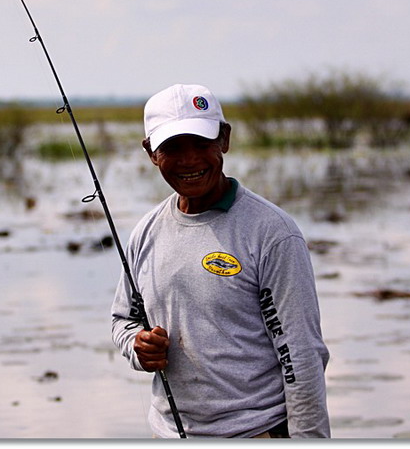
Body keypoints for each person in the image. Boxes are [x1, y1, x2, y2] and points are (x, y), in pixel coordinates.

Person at [111, 83, 330, 438]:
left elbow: (302, 358)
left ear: (224, 140)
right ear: (151, 152)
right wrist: (139, 345)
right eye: (172, 147)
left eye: (201, 143)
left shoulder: (272, 233)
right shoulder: (145, 232)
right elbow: (123, 318)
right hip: (168, 433)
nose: (190, 160)